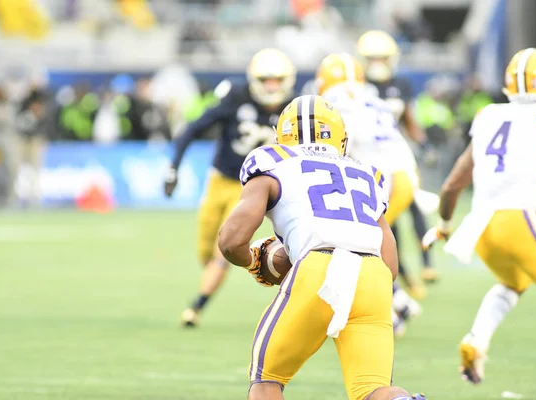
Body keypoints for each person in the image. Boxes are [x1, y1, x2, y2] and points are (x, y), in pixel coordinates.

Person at [218, 94, 427, 400]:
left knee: (267, 379)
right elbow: (390, 266)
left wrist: (254, 261)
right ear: (341, 136)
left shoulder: (271, 161)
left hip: (319, 266)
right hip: (374, 278)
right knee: (374, 389)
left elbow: (230, 240)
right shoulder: (368, 173)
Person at [426, 48, 536, 399]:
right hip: (519, 219)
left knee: (513, 282)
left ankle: (476, 339)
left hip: (481, 228)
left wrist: (445, 225)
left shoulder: (489, 115)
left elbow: (452, 184)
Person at [164, 48, 297, 327]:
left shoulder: (292, 110)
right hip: (220, 179)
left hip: (253, 188)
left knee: (224, 247)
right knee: (205, 249)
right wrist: (173, 167)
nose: (271, 86)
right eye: (265, 80)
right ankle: (209, 279)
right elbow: (192, 129)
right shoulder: (236, 97)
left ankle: (196, 306)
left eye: (277, 80)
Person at [314, 52, 422, 335]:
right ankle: (400, 300)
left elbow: (341, 147)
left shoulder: (332, 105)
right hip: (404, 177)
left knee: (356, 249)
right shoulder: (375, 100)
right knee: (367, 245)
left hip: (381, 180)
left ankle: (389, 313)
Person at [357, 30, 439, 291]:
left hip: (396, 153)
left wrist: (424, 145)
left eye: (383, 58)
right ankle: (402, 275)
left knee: (414, 204)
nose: (378, 63)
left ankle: (428, 262)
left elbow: (409, 121)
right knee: (384, 218)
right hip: (369, 159)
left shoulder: (400, 85)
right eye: (373, 58)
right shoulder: (358, 88)